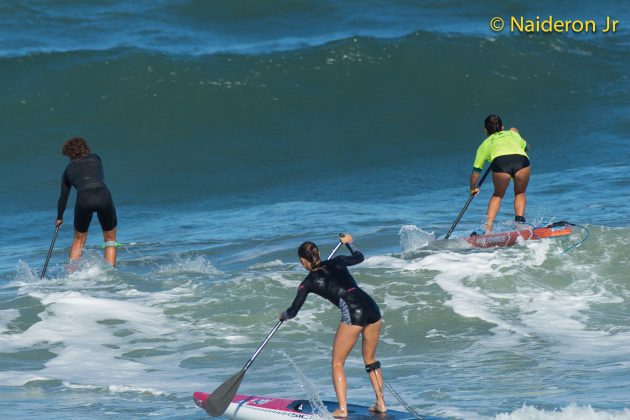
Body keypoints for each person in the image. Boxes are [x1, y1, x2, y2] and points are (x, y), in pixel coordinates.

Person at [279, 233, 386, 418]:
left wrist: (283, 315)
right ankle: (381, 403)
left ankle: (342, 409)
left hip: (354, 312)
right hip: (371, 306)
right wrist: (349, 244)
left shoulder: (307, 283)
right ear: (318, 253)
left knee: (337, 362)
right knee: (370, 360)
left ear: (303, 261)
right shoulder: (337, 261)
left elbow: (293, 311)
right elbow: (359, 257)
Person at [55, 137, 118, 266]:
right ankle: (111, 275)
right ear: (85, 149)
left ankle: (72, 276)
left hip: (84, 199)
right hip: (103, 195)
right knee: (110, 240)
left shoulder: (67, 171)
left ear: (69, 154)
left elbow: (63, 197)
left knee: (78, 241)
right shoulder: (95, 158)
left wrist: (59, 217)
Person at [470, 114, 530, 233]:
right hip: (522, 161)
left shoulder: (484, 145)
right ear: (502, 127)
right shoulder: (513, 134)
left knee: (498, 195)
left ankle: (488, 229)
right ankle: (520, 226)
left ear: (486, 131)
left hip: (501, 163)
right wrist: (517, 134)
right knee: (520, 193)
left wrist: (472, 189)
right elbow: (527, 148)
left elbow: (476, 172)